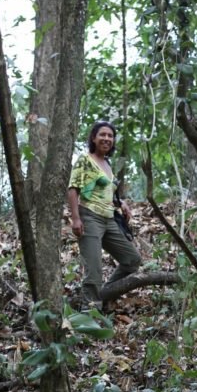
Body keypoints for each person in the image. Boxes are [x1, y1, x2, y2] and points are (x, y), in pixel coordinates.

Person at [67, 121, 141, 310]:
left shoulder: (107, 163)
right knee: (93, 271)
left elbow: (106, 191)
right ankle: (90, 317)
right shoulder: (85, 160)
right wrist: (75, 218)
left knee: (132, 260)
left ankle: (104, 294)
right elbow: (73, 188)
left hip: (109, 218)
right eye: (102, 135)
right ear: (93, 137)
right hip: (89, 217)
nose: (107, 139)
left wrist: (121, 203)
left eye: (110, 136)